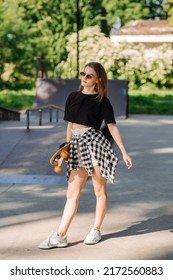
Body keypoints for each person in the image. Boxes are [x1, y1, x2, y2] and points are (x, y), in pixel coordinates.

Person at [38, 62, 132, 249]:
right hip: (76, 146)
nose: (85, 77)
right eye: (83, 73)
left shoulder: (102, 101)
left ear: (98, 79)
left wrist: (124, 151)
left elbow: (112, 126)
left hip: (95, 145)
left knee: (99, 191)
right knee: (72, 194)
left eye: (89, 75)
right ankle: (60, 235)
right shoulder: (73, 96)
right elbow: (70, 125)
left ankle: (96, 229)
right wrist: (66, 147)